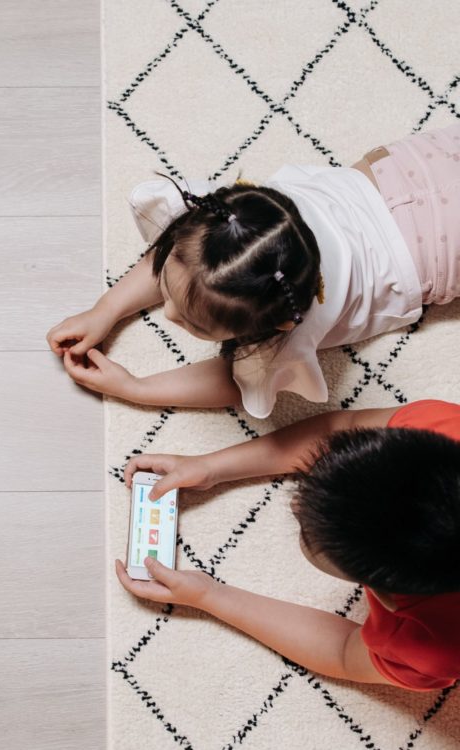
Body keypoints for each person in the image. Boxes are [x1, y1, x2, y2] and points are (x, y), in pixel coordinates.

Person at [47, 122, 460, 418]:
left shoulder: (288, 332)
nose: (169, 314)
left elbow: (234, 382)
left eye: (194, 324)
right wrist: (106, 309)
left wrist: (135, 388)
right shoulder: (241, 225)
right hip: (411, 170)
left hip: (435, 248)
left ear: (275, 325)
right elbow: (185, 260)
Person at [116, 399, 460, 690]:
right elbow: (343, 426)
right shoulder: (440, 424)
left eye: (306, 532)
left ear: (387, 599)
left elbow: (343, 652)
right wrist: (212, 466)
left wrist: (211, 596)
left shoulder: (434, 647)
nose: (295, 504)